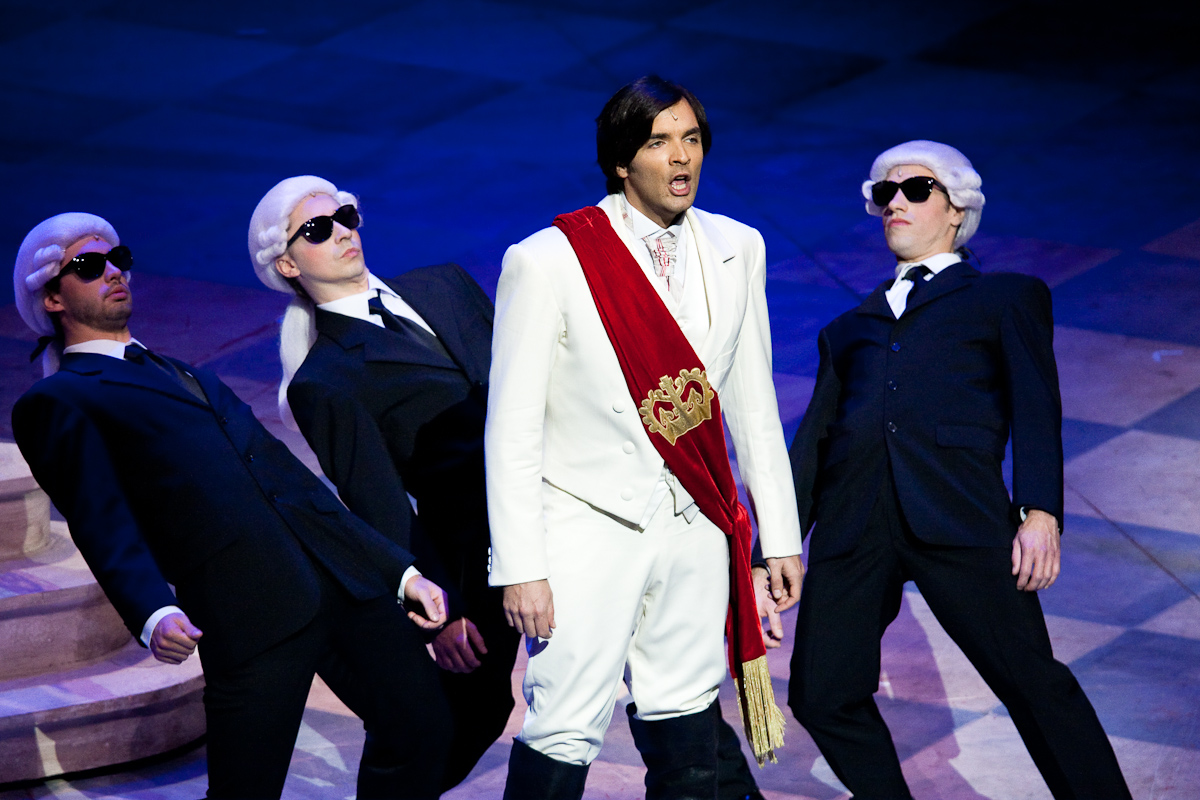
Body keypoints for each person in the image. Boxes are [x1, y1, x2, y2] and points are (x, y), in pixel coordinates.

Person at [11, 212, 453, 800]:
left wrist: (397, 571)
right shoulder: (61, 399)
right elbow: (100, 519)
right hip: (249, 611)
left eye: (119, 259)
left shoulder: (187, 375)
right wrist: (152, 611)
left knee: (423, 729)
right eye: (89, 266)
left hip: (344, 585)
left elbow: (293, 483)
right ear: (52, 298)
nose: (113, 272)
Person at [486, 75, 805, 799]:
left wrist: (779, 538)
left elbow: (753, 403)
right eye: (659, 142)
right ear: (621, 160)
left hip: (693, 524)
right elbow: (511, 428)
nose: (681, 157)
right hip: (586, 526)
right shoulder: (549, 260)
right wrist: (521, 564)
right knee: (564, 726)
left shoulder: (739, 246)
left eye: (691, 139)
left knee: (687, 717)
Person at [786, 140, 1131, 798]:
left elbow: (1036, 407)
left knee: (1034, 684)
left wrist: (1041, 511)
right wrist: (773, 548)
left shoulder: (1003, 297)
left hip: (959, 512)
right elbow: (813, 446)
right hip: (855, 526)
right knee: (821, 693)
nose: (895, 202)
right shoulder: (849, 328)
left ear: (957, 209)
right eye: (884, 192)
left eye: (916, 189)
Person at [247, 175, 520, 790]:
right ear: (287, 264)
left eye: (345, 216)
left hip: (563, 506)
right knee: (473, 711)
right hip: (475, 555)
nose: (342, 232)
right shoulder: (324, 382)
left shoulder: (444, 283)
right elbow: (380, 504)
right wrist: (442, 611)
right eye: (318, 229)